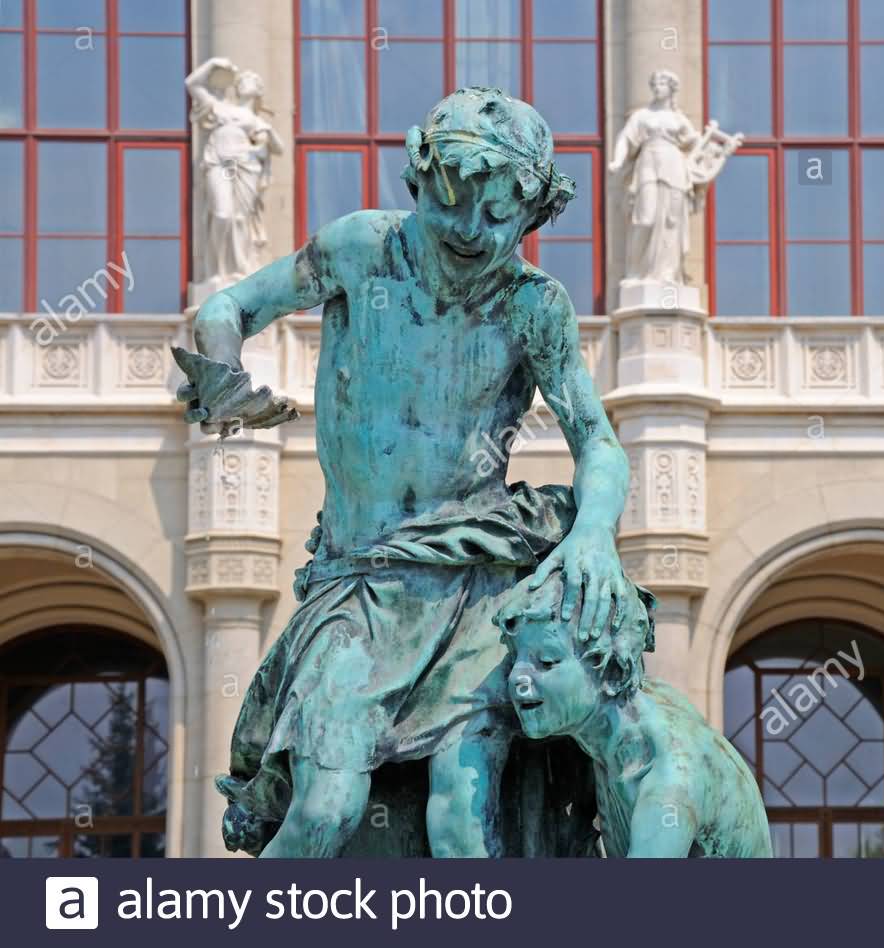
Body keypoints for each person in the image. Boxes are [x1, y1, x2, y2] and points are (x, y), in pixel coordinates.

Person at [174, 87, 641, 858]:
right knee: (324, 806)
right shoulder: (360, 249)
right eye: (452, 204)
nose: (471, 231)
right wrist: (221, 369)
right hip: (358, 580)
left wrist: (593, 533)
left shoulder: (535, 306)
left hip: (472, 584)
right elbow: (229, 308)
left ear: (532, 217)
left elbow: (599, 441)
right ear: (418, 183)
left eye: (499, 217)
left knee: (462, 821)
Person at [495, 573, 773, 858]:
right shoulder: (637, 712)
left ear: (613, 674)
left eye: (547, 661)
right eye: (516, 657)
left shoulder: (668, 782)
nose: (518, 677)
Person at [185, 58, 284, 287]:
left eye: (248, 81)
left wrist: (265, 137)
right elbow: (193, 84)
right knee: (222, 214)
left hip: (245, 167)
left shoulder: (256, 120)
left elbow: (279, 148)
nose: (241, 83)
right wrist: (213, 64)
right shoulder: (221, 107)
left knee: (240, 219)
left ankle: (239, 269)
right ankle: (217, 270)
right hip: (218, 164)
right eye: (240, 81)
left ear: (258, 90)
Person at [608, 69, 701, 285]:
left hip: (674, 165)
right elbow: (625, 139)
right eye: (655, 84)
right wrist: (618, 161)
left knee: (672, 220)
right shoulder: (642, 116)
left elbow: (695, 142)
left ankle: (668, 273)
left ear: (671, 89)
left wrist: (694, 162)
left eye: (661, 84)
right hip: (648, 163)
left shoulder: (679, 119)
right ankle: (636, 272)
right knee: (645, 218)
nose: (657, 88)